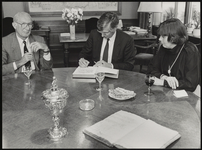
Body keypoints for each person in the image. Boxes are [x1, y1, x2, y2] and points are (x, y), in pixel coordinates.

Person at [147, 18, 200, 92]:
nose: (159, 39)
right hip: (165, 92)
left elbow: (190, 84)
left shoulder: (190, 51)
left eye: (163, 36)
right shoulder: (164, 47)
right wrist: (163, 77)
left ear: (173, 37)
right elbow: (151, 68)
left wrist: (163, 83)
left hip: (185, 97)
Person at [2, 12, 53, 76]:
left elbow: (47, 68)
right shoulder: (4, 42)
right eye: (23, 24)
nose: (28, 28)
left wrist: (46, 50)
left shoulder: (39, 40)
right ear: (14, 25)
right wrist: (20, 62)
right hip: (15, 79)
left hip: (36, 79)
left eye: (29, 24)